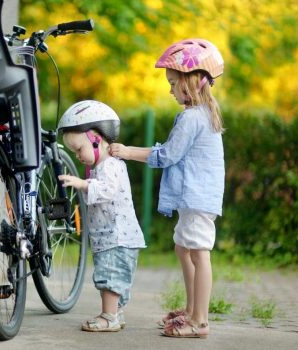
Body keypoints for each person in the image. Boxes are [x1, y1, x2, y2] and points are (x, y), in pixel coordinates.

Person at [109, 38, 225, 338]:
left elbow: (168, 155)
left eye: (174, 83)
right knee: (183, 247)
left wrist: (128, 151)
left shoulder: (191, 118)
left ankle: (199, 321)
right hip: (198, 197)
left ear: (192, 82)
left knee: (199, 253)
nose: (170, 89)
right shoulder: (205, 114)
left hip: (197, 198)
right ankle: (191, 310)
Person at [57, 100, 146, 332]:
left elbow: (107, 190)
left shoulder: (110, 166)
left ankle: (109, 317)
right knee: (111, 276)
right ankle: (116, 313)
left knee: (109, 276)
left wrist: (82, 183)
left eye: (78, 149)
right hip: (110, 237)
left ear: (96, 138)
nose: (77, 155)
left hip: (117, 237)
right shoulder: (100, 167)